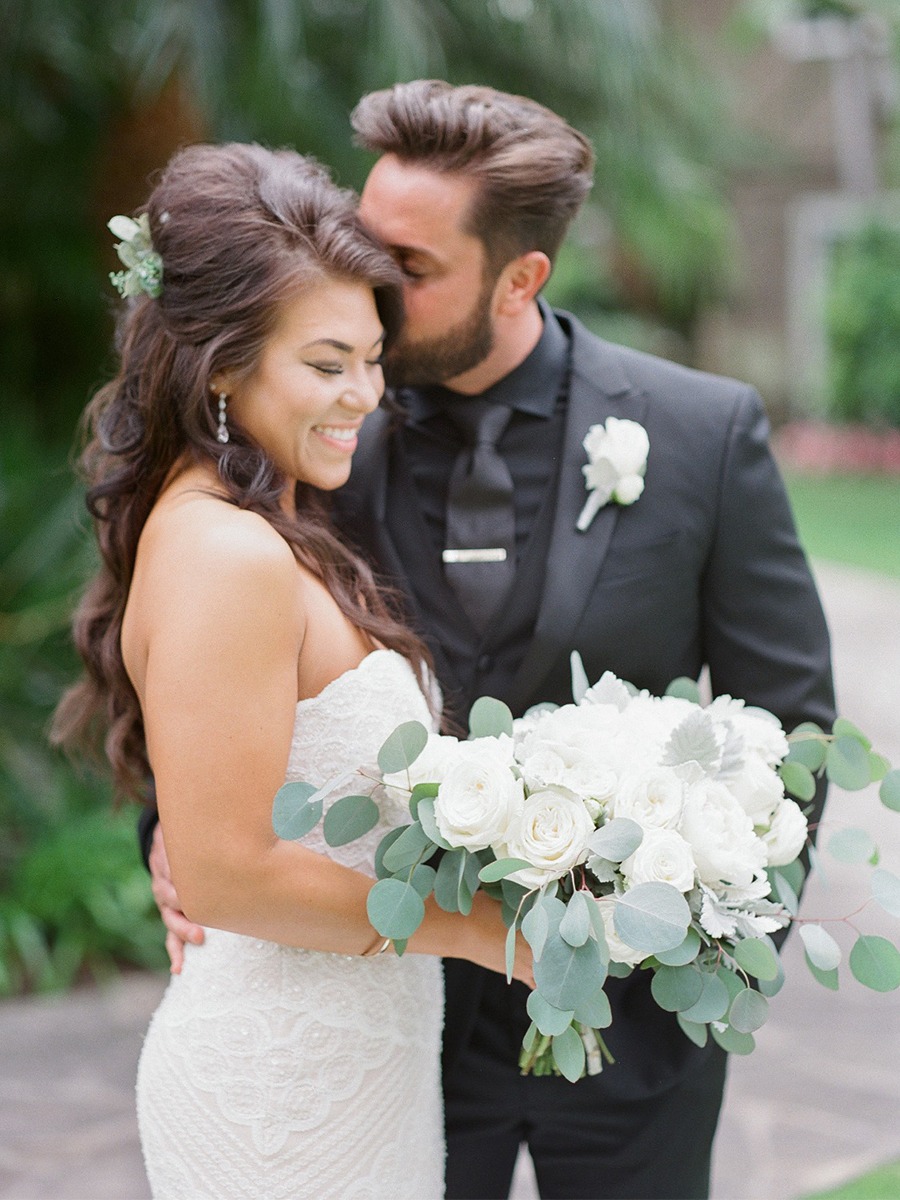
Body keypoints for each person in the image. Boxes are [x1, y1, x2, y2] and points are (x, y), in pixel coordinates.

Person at [144, 84, 836, 1200]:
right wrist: (173, 847)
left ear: (521, 279)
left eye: (409, 269)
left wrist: (702, 940)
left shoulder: (703, 434)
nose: (368, 283)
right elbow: (204, 666)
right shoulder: (307, 429)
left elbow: (790, 722)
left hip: (632, 1044)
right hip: (385, 1024)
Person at [53, 140, 534, 1200]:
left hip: (349, 1071)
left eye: (370, 357)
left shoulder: (255, 520)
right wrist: (484, 928)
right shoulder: (224, 552)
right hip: (282, 1099)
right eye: (327, 364)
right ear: (221, 364)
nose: (366, 393)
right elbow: (228, 872)